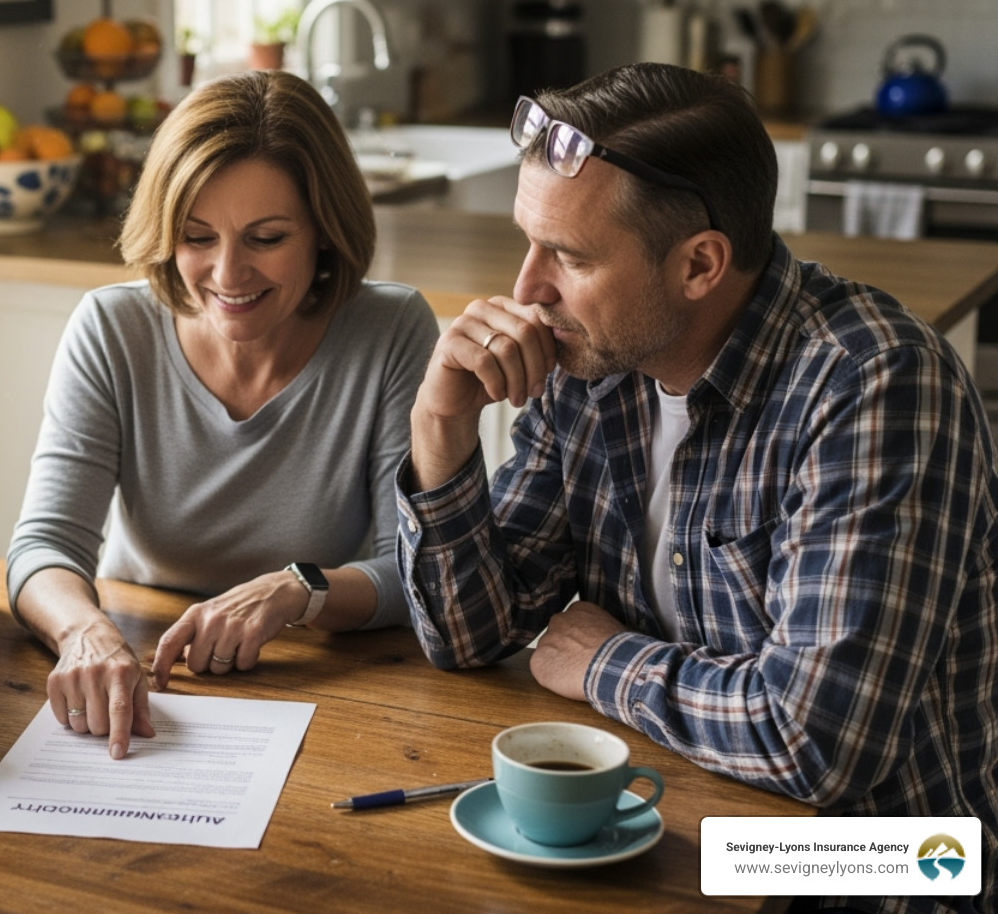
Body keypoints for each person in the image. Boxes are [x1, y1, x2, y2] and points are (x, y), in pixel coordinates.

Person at [399, 63, 997, 914]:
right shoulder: (591, 364)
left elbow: (814, 743)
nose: (527, 289)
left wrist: (602, 662)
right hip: (678, 810)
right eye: (529, 243)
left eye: (569, 256)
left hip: (889, 865)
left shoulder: (877, 383)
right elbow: (469, 634)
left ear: (700, 265)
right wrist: (438, 426)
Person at [7, 70, 438, 759]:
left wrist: (297, 589)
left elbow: (416, 570)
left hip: (323, 680)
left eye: (266, 238)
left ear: (325, 232)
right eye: (197, 237)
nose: (228, 275)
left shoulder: (391, 329)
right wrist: (84, 632)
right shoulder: (112, 329)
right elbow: (43, 547)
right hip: (141, 665)